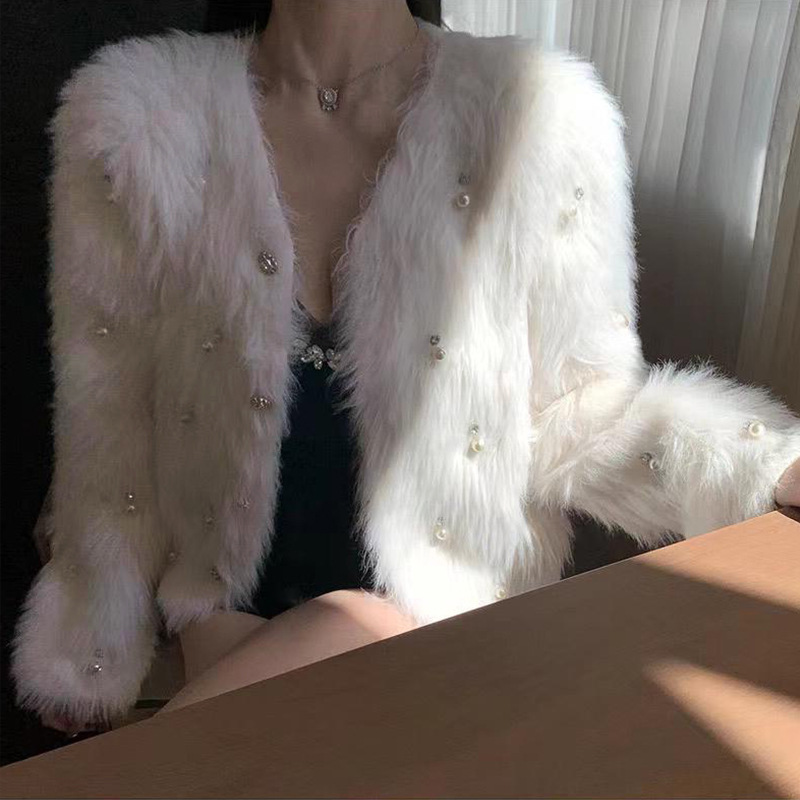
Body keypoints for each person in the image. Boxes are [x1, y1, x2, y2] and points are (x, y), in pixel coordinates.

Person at [12, 0, 800, 737]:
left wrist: (764, 463)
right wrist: (88, 626)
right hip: (224, 627)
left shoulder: (540, 113)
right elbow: (109, 416)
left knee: (354, 629)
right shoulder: (133, 119)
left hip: (449, 634)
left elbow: (580, 411)